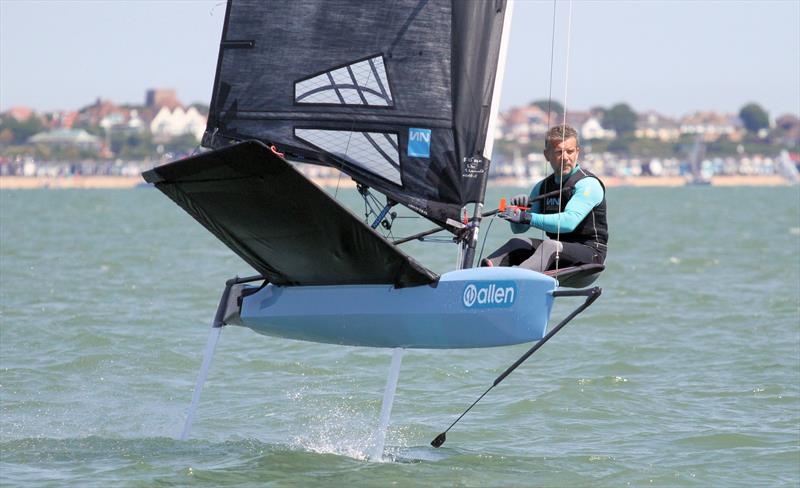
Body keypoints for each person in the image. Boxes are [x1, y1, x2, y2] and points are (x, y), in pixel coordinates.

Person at [482, 124, 608, 272]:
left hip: (590, 254)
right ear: (547, 155)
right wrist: (518, 211)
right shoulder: (541, 187)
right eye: (559, 152)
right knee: (517, 242)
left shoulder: (588, 184)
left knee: (549, 246)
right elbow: (519, 229)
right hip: (556, 253)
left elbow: (568, 223)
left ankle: (517, 281)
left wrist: (526, 217)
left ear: (577, 152)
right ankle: (480, 277)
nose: (565, 157)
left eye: (570, 151)